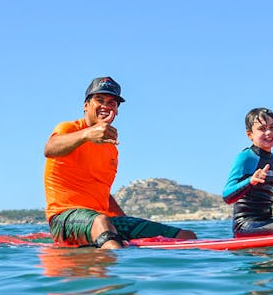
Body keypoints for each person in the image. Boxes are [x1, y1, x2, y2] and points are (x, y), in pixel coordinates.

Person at [43, 76, 196, 249]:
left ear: (116, 111)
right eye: (99, 100)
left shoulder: (111, 148)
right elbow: (49, 149)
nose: (106, 106)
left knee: (186, 236)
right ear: (86, 105)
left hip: (101, 218)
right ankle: (118, 274)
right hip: (63, 218)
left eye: (112, 103)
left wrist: (125, 221)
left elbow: (102, 191)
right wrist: (87, 134)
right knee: (101, 222)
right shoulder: (69, 129)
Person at [222, 107, 273, 237]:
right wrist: (250, 181)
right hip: (244, 226)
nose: (269, 132)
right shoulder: (245, 158)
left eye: (272, 127)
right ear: (250, 135)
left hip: (266, 223)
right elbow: (227, 196)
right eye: (262, 128)